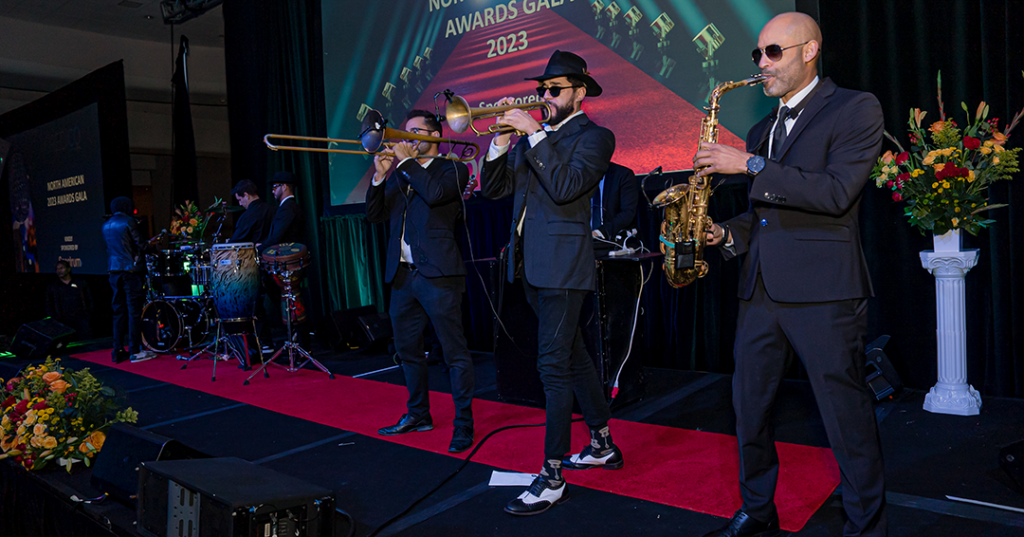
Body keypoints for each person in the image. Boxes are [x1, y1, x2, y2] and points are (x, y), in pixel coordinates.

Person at [696, 12, 886, 537]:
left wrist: (750, 167)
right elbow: (766, 214)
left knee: (845, 420)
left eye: (773, 52)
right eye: (757, 54)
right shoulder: (762, 128)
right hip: (760, 290)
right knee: (748, 411)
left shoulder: (854, 107)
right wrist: (726, 235)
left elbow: (833, 192)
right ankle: (758, 510)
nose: (762, 64)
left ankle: (866, 528)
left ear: (810, 50)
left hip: (824, 293)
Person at [480, 50, 623, 516]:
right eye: (542, 89)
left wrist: (533, 133)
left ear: (580, 92)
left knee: (552, 368)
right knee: (574, 357)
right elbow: (494, 191)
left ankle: (552, 475)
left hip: (563, 268)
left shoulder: (596, 137)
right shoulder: (528, 141)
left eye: (554, 89)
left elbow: (565, 188)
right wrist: (500, 142)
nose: (545, 95)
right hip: (529, 265)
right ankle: (602, 444)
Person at [367, 110, 476, 454]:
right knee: (408, 352)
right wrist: (379, 176)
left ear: (435, 135)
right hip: (402, 277)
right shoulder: (399, 175)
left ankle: (464, 425)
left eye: (416, 131)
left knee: (454, 354)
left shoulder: (454, 169)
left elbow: (434, 194)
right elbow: (374, 216)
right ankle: (418, 415)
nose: (406, 136)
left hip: (439, 275)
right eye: (405, 130)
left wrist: (407, 164)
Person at [102, 197, 155, 363]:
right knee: (134, 310)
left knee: (118, 311)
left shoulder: (106, 225)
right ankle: (135, 350)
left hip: (113, 270)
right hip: (130, 270)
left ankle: (117, 350)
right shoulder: (128, 221)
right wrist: (153, 247)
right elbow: (141, 245)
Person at [591, 161, 638, 247]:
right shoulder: (578, 177)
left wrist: (599, 232)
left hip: (611, 242)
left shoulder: (623, 175)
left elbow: (627, 213)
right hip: (581, 241)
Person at [45, 260, 93, 340]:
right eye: (57, 269)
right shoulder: (53, 287)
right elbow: (49, 304)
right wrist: (54, 319)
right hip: (63, 321)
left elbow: (88, 299)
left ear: (68, 269)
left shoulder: (80, 283)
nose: (59, 271)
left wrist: (87, 314)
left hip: (80, 320)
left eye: (61, 268)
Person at [261, 172, 304, 251]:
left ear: (284, 187)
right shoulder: (288, 206)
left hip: (286, 255)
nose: (273, 191)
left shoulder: (288, 208)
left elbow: (277, 237)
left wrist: (258, 249)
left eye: (275, 187)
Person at [229, 179, 275, 244]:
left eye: (239, 199)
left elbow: (236, 241)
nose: (240, 204)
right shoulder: (273, 210)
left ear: (246, 195)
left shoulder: (247, 217)